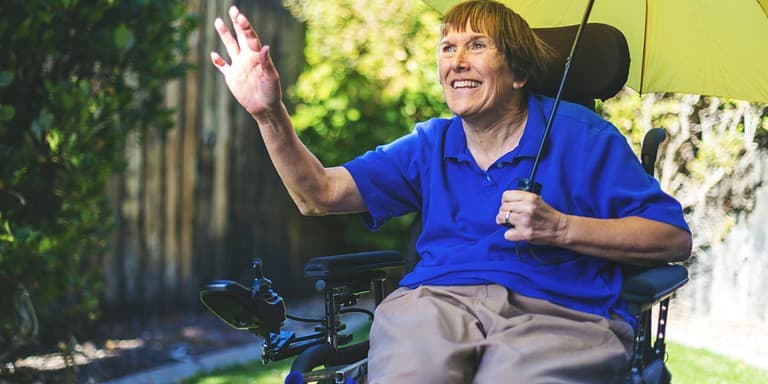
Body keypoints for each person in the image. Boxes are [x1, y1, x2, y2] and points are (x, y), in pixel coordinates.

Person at [211, 1, 692, 382]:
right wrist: (268, 114)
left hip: (561, 314)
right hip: (437, 304)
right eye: (447, 48)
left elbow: (672, 239)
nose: (457, 61)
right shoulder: (430, 144)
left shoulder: (583, 137)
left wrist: (561, 227)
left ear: (519, 73)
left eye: (477, 45)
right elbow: (320, 194)